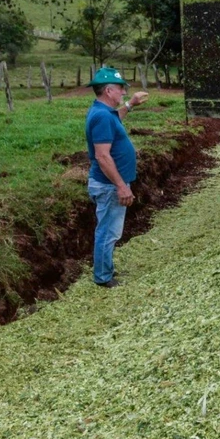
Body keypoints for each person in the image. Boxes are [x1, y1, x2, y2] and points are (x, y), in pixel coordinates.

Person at [85, 67, 149, 288]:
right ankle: (103, 277)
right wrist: (121, 186)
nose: (123, 92)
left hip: (109, 185)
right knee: (108, 231)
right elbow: (103, 156)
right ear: (109, 90)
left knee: (110, 229)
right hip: (108, 186)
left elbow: (115, 121)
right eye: (121, 89)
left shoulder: (104, 113)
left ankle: (105, 268)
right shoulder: (102, 116)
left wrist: (130, 104)